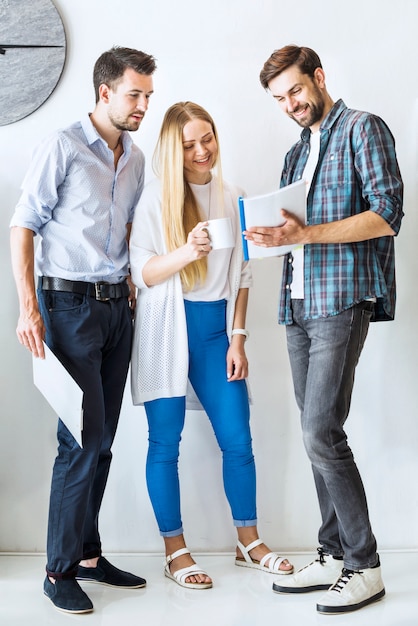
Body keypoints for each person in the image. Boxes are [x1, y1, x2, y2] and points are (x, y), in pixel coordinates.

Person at [244, 45, 404, 614]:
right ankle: (334, 554)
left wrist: (306, 236)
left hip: (342, 300)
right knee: (318, 438)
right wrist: (269, 238)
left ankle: (365, 565)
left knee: (320, 432)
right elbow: (293, 229)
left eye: (295, 90)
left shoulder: (363, 129)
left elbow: (387, 214)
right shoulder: (295, 154)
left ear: (319, 77)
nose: (291, 104)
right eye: (280, 98)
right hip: (298, 304)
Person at [10, 46, 156, 614]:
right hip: (67, 305)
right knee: (79, 442)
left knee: (104, 439)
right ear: (104, 92)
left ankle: (89, 557)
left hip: (118, 309)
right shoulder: (64, 146)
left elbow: (130, 235)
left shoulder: (136, 157)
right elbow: (22, 227)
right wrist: (29, 308)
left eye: (147, 94)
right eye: (134, 94)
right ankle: (57, 569)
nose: (143, 103)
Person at [129, 101, 293, 589]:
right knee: (165, 444)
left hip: (215, 332)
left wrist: (238, 339)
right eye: (188, 144)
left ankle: (249, 541)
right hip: (164, 331)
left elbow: (242, 274)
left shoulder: (233, 194)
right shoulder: (155, 199)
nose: (202, 151)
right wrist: (187, 250)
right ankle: (174, 550)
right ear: (171, 151)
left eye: (208, 138)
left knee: (238, 440)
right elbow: (142, 273)